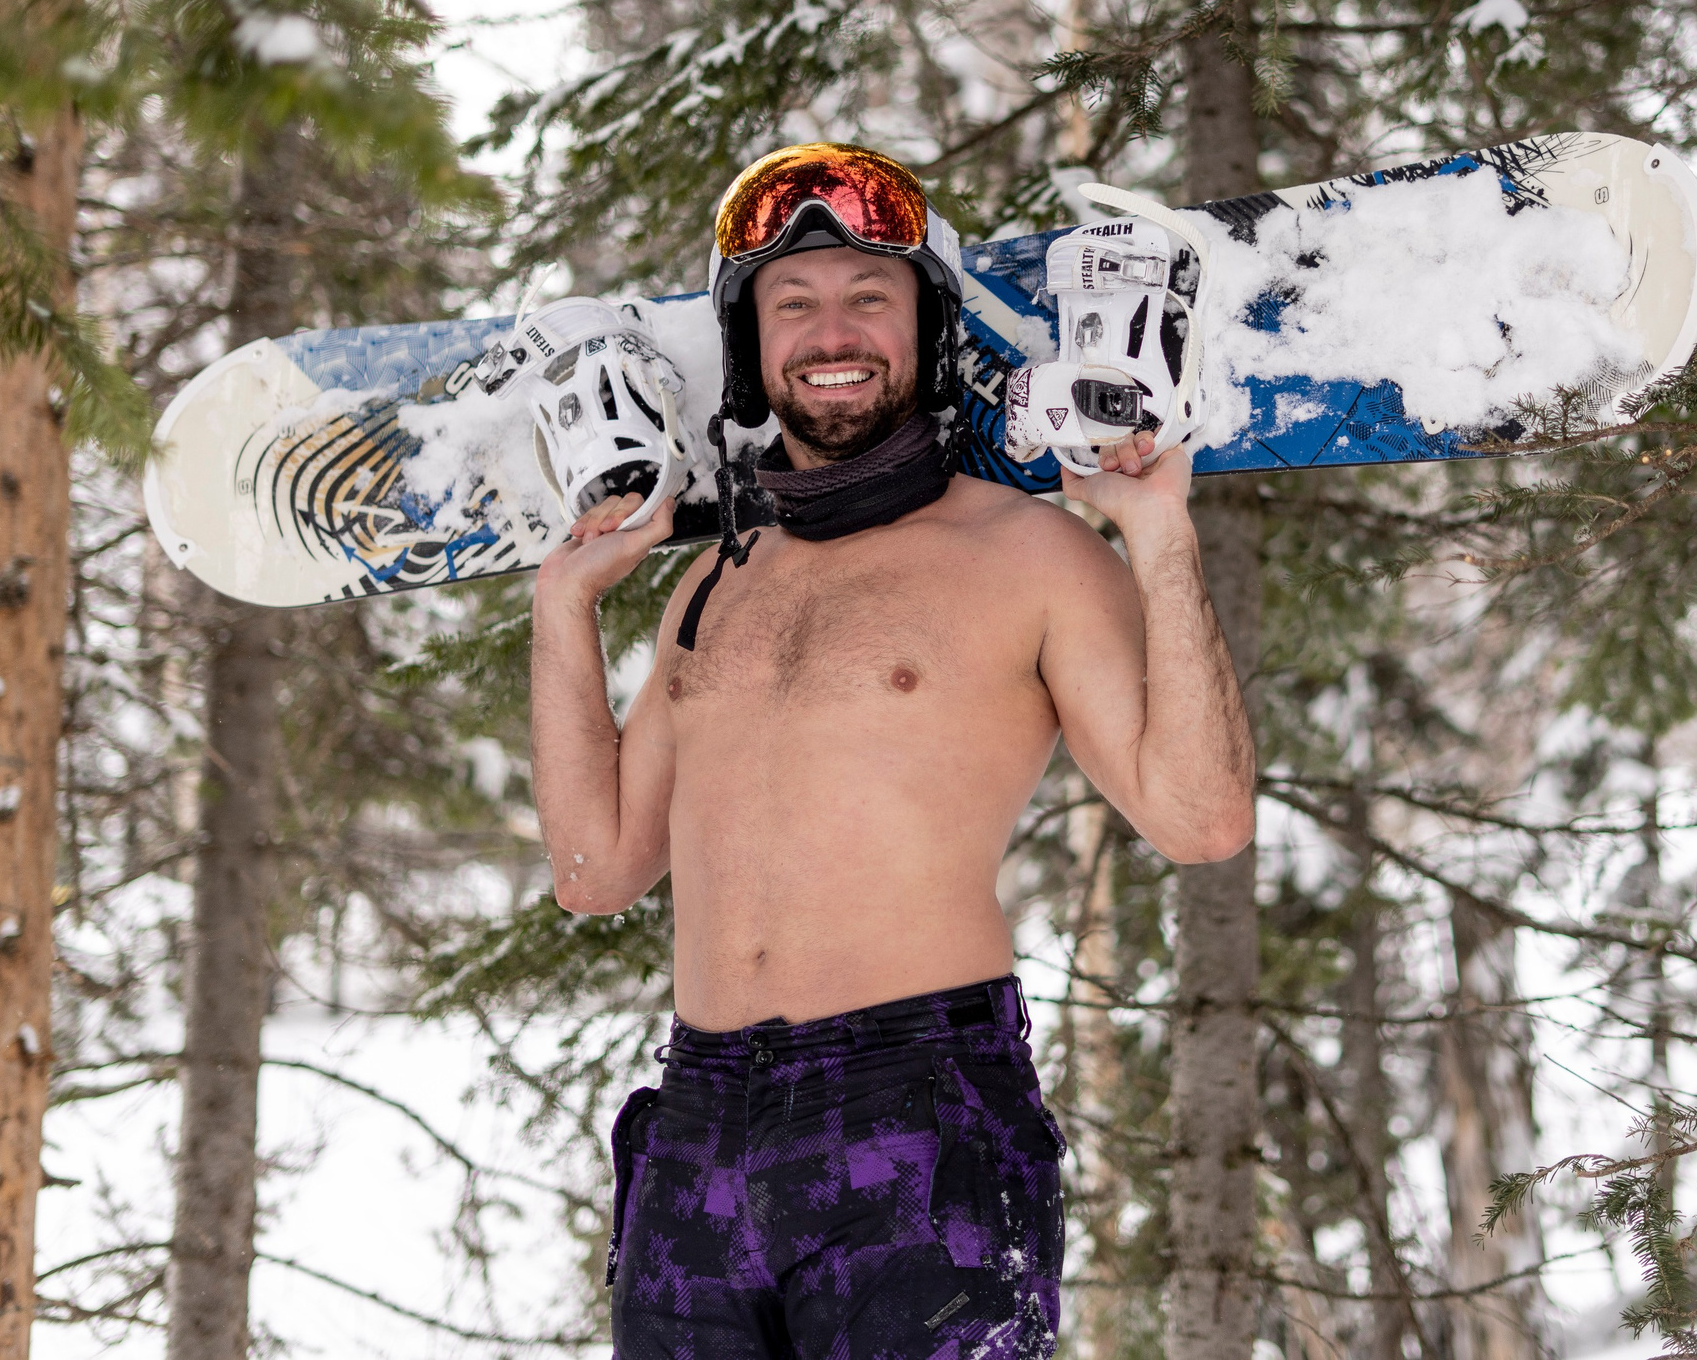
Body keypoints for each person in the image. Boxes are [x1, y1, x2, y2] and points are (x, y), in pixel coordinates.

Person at [529, 142, 1255, 1360]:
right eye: (794, 301)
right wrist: (563, 606)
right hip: (699, 1124)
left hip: (917, 1111)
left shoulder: (1026, 552)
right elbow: (595, 872)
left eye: (870, 295)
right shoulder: (714, 581)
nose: (833, 329)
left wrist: (1157, 530)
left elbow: (1201, 819)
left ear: (922, 326)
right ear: (752, 344)